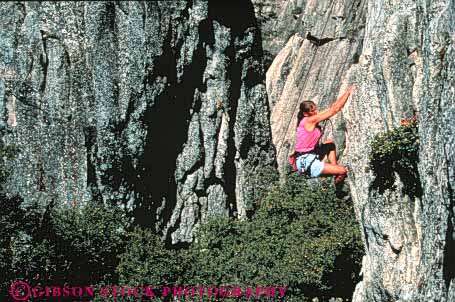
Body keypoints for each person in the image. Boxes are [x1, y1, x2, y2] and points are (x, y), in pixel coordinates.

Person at [294, 86, 355, 184]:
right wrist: (348, 92)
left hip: (305, 157)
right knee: (342, 171)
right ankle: (334, 186)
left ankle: (333, 168)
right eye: (313, 111)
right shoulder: (310, 120)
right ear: (306, 114)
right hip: (307, 162)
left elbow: (332, 107)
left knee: (329, 143)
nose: (316, 112)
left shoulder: (308, 119)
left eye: (315, 109)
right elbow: (334, 110)